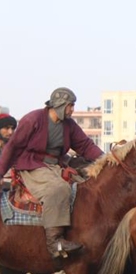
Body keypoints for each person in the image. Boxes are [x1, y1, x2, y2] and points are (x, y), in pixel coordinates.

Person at [0, 88, 104, 257]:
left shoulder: (69, 125)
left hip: (57, 165)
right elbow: (13, 147)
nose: (72, 110)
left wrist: (106, 160)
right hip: (32, 166)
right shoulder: (32, 119)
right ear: (60, 104)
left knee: (87, 186)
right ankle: (54, 242)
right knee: (59, 189)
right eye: (70, 106)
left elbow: (85, 145)